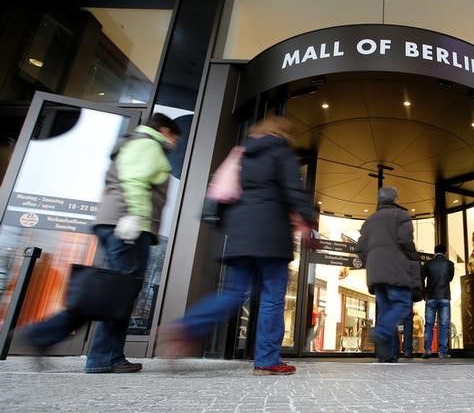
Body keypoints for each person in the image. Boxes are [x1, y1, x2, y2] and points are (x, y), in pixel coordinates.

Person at [24, 113, 181, 373]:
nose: (174, 143)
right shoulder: (147, 144)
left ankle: (99, 354)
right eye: (174, 136)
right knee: (119, 293)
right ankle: (73, 346)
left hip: (115, 222)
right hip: (128, 224)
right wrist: (135, 216)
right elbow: (134, 181)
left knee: (114, 293)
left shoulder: (134, 142)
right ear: (164, 130)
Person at [159, 116, 314, 376]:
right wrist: (307, 220)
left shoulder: (241, 153)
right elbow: (293, 190)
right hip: (272, 233)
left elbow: (225, 193)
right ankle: (266, 361)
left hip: (240, 234)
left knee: (232, 293)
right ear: (283, 133)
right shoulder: (281, 152)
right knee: (273, 297)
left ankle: (185, 326)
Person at [356, 187, 421, 362]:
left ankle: (387, 356)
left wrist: (371, 261)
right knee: (402, 304)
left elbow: (360, 248)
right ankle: (380, 332)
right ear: (395, 199)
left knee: (385, 312)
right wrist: (413, 259)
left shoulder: (369, 221)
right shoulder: (401, 216)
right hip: (395, 268)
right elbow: (406, 241)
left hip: (375, 271)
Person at [421, 244, 455, 359]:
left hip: (430, 297)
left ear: (434, 252)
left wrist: (424, 292)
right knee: (444, 325)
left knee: (429, 324)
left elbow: (421, 278)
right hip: (444, 297)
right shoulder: (450, 264)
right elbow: (449, 278)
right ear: (445, 253)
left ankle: (427, 350)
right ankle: (443, 352)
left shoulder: (428, 264)